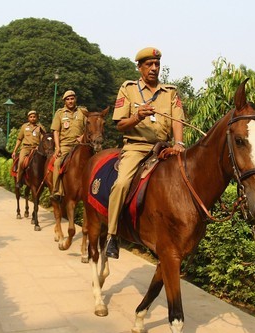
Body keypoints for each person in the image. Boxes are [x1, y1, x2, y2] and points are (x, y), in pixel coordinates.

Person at [106, 47, 186, 259]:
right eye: (149, 65)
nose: (153, 68)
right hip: (136, 147)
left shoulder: (170, 92)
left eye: (157, 65)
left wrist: (179, 143)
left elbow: (178, 119)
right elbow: (120, 124)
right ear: (139, 67)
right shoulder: (128, 89)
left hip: (164, 147)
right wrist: (137, 116)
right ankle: (112, 234)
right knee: (122, 183)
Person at [50, 90, 87, 201]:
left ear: (75, 99)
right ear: (64, 101)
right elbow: (56, 131)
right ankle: (56, 191)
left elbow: (89, 127)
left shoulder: (83, 111)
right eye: (68, 99)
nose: (70, 101)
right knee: (57, 163)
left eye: (72, 98)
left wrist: (83, 136)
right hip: (65, 145)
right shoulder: (60, 113)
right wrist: (57, 148)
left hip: (80, 145)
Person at [12, 110, 48, 187]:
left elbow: (44, 139)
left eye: (34, 117)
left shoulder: (40, 127)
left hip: (37, 149)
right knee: (21, 162)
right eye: (31, 117)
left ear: (37, 118)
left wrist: (39, 146)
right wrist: (14, 151)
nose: (32, 118)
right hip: (26, 148)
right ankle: (19, 180)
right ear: (28, 118)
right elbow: (19, 139)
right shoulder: (24, 127)